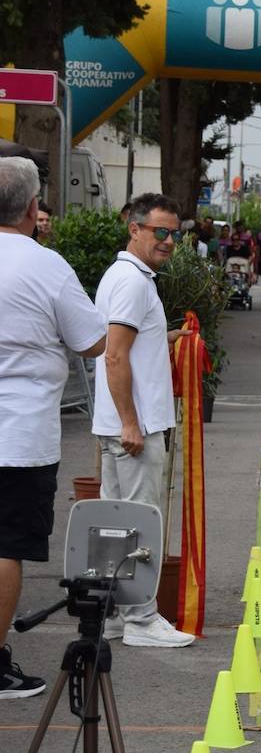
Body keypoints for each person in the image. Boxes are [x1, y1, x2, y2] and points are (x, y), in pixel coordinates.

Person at [0, 158, 108, 698]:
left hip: (19, 430)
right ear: (32, 208)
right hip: (18, 434)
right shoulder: (45, 265)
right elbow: (92, 340)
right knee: (6, 546)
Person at [88, 193, 194, 647]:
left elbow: (124, 342)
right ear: (134, 230)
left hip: (119, 422)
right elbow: (115, 355)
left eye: (175, 233)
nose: (169, 241)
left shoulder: (125, 275)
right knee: (139, 522)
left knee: (115, 521)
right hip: (134, 426)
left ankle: (113, 612)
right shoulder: (133, 281)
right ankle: (141, 619)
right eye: (160, 232)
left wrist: (168, 334)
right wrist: (132, 423)